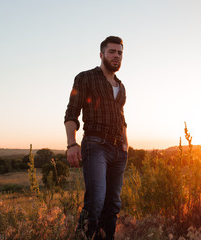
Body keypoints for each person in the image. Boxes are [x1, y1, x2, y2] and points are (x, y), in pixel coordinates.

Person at [64, 36, 128, 240]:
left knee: (112, 205)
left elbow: (122, 118)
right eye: (112, 52)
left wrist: (126, 145)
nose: (116, 56)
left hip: (118, 151)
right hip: (96, 145)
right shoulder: (85, 78)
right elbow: (71, 113)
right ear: (101, 55)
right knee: (96, 201)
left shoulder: (121, 86)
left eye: (119, 52)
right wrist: (72, 144)